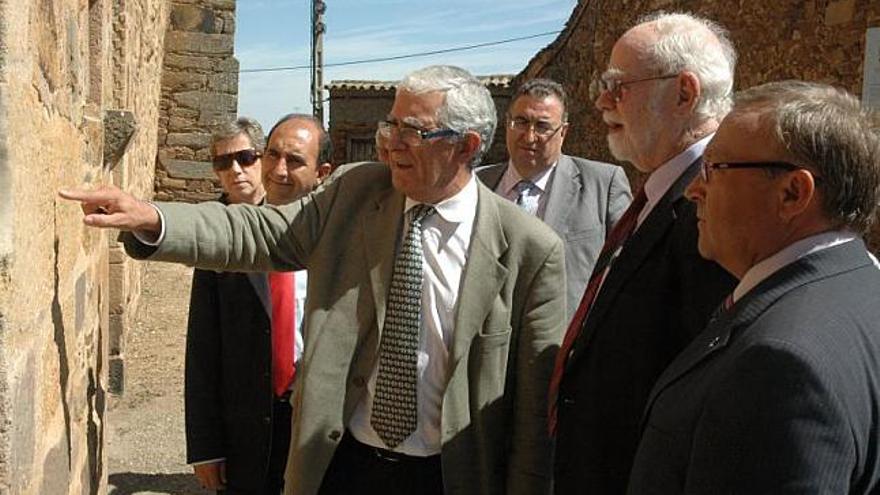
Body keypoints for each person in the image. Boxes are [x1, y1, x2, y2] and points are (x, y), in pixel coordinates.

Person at [60, 65, 566, 495]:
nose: (390, 144)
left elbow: (531, 416)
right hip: (342, 463)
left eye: (412, 130)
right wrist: (153, 217)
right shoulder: (355, 192)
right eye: (389, 125)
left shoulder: (530, 250)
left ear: (466, 145)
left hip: (449, 476)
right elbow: (259, 231)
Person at [628, 80, 880, 494]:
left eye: (714, 168)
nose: (694, 189)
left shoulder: (781, 363)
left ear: (792, 193)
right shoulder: (857, 283)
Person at [549, 12, 738, 494]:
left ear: (684, 93)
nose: (601, 99)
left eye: (618, 85)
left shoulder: (719, 203)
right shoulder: (664, 189)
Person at [185, 115, 330, 494]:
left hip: (311, 418)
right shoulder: (218, 241)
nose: (236, 171)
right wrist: (205, 447)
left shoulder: (327, 232)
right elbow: (202, 347)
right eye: (222, 163)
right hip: (246, 427)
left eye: (245, 157)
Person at [477, 78, 631, 319]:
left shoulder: (602, 184)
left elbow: (626, 272)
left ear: (563, 132)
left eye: (542, 126)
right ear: (507, 124)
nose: (529, 137)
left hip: (565, 342)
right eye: (521, 122)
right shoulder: (477, 185)